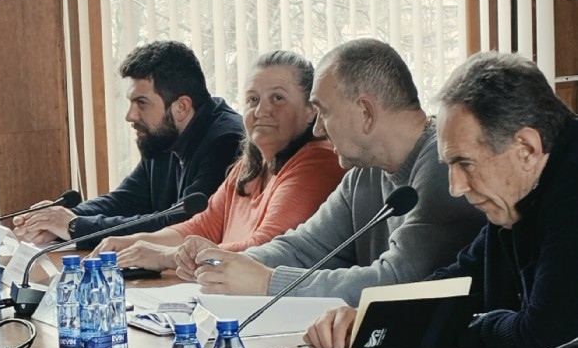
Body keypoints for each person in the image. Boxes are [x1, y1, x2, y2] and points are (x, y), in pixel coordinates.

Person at [305, 52, 578, 348]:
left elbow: (545, 346)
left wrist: (465, 325)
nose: (455, 187)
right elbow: (463, 279)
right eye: (449, 165)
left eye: (464, 163)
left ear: (527, 149)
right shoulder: (518, 191)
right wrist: (368, 318)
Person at [175, 38, 485, 306]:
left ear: (365, 112)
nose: (318, 129)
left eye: (324, 112)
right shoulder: (363, 172)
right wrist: (225, 263)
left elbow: (399, 282)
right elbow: (303, 247)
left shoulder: (446, 166)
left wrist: (267, 282)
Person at [92, 50, 345, 270]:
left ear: (311, 111)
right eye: (253, 99)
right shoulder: (250, 165)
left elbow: (265, 249)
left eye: (277, 99)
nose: (261, 111)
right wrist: (134, 242)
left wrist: (167, 257)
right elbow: (202, 227)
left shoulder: (318, 162)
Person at [12, 40, 244, 249]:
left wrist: (75, 226)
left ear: (181, 107)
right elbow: (126, 200)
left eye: (141, 103)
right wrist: (60, 217)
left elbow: (182, 224)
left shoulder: (228, 141)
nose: (130, 115)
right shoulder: (164, 135)